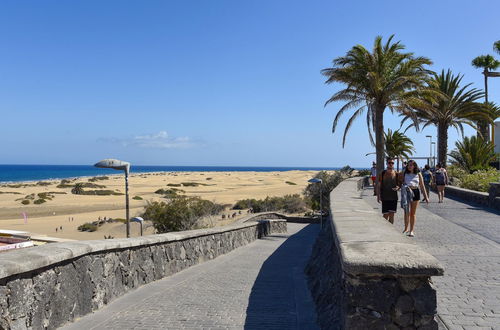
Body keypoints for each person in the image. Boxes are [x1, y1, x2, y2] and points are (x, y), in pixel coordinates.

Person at [400, 160, 429, 237]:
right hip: (407, 192)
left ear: (414, 166)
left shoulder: (418, 174)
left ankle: (411, 230)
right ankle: (406, 228)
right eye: (408, 165)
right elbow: (400, 182)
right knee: (406, 212)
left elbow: (422, 186)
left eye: (411, 165)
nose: (409, 166)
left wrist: (426, 197)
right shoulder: (404, 173)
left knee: (412, 213)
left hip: (415, 192)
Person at [377, 157, 400, 224]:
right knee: (385, 215)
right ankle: (384, 230)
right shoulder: (382, 173)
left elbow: (398, 185)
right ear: (386, 163)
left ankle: (391, 231)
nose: (391, 164)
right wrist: (378, 196)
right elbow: (379, 185)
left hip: (394, 197)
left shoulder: (396, 173)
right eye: (389, 163)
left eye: (392, 163)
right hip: (385, 197)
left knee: (392, 215)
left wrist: (397, 188)